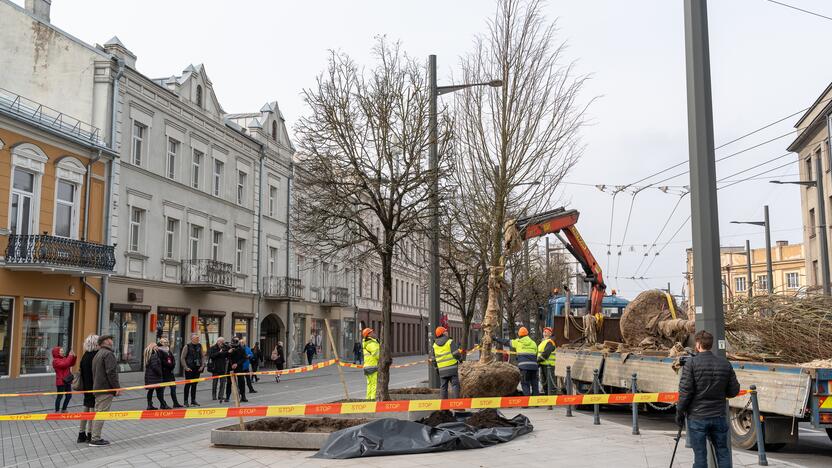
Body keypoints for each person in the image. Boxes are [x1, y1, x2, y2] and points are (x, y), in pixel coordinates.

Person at [677, 330, 741, 468]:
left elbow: (685, 392)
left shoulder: (691, 364)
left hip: (698, 416)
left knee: (700, 456)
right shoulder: (725, 363)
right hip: (718, 415)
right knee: (723, 453)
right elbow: (734, 391)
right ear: (710, 345)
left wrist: (680, 413)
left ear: (698, 344)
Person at [89, 335, 120, 447]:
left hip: (98, 388)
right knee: (101, 413)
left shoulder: (98, 354)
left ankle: (93, 436)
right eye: (110, 339)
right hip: (105, 388)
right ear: (106, 341)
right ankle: (95, 439)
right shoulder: (108, 354)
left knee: (98, 413)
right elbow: (111, 372)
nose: (112, 340)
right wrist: (116, 387)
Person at [494, 327, 539, 396]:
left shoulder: (518, 342)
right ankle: (536, 402)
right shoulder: (533, 343)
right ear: (527, 334)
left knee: (525, 383)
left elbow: (506, 342)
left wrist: (496, 338)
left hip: (524, 367)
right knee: (534, 383)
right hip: (534, 367)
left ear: (519, 335)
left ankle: (527, 402)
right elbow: (536, 354)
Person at [428, 326, 463, 399]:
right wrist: (460, 359)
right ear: (443, 333)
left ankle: (444, 408)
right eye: (445, 331)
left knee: (443, 387)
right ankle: (457, 405)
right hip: (452, 368)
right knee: (455, 385)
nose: (447, 332)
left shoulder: (434, 345)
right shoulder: (450, 341)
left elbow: (433, 360)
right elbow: (456, 353)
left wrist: (437, 369)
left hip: (442, 370)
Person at [77, 334, 98, 443]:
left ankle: (81, 433)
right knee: (92, 410)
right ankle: (90, 434)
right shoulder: (95, 355)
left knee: (86, 408)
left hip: (86, 386)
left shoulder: (85, 356)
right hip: (94, 387)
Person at [157, 337, 183, 408]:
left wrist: (172, 365)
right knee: (162, 389)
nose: (166, 344)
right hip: (164, 373)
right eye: (165, 342)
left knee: (173, 388)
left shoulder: (169, 350)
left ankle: (175, 403)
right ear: (161, 343)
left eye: (167, 342)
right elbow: (161, 361)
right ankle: (162, 404)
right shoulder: (159, 351)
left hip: (170, 373)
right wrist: (169, 365)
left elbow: (173, 359)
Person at [180, 334, 205, 407]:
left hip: (197, 368)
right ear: (192, 339)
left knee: (194, 385)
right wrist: (186, 367)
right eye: (196, 338)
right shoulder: (187, 346)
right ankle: (185, 401)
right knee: (188, 385)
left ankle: (193, 400)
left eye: (198, 338)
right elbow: (182, 357)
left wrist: (202, 365)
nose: (198, 340)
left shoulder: (199, 346)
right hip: (189, 368)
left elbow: (202, 356)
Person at [143, 343, 168, 410]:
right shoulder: (154, 355)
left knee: (151, 391)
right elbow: (155, 366)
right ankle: (163, 404)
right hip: (155, 377)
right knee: (159, 391)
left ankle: (150, 405)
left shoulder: (149, 354)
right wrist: (160, 373)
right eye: (156, 346)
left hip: (150, 377)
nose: (158, 347)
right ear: (153, 347)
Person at [52, 345, 76, 413]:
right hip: (61, 381)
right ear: (57, 353)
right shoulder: (55, 361)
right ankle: (57, 410)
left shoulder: (64, 358)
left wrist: (73, 357)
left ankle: (64, 409)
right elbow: (65, 364)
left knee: (69, 396)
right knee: (60, 397)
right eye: (61, 351)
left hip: (67, 380)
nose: (63, 352)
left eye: (63, 351)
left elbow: (71, 363)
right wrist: (70, 356)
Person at [226, 337, 248, 402]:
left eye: (237, 341)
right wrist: (229, 352)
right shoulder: (229, 348)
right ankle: (227, 396)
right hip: (230, 367)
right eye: (234, 341)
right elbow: (225, 356)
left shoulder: (241, 348)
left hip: (239, 367)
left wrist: (237, 364)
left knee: (241, 381)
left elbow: (244, 358)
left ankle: (243, 396)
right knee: (229, 382)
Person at [208, 337, 229, 402]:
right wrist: (219, 353)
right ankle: (214, 396)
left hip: (222, 368)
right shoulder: (213, 348)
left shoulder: (224, 348)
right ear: (218, 342)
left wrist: (228, 352)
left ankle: (220, 396)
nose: (222, 343)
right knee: (215, 383)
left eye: (223, 342)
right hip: (215, 368)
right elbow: (211, 356)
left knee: (222, 383)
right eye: (221, 342)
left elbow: (226, 355)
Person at [538, 327, 557, 398]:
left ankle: (552, 398)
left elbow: (545, 354)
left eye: (546, 332)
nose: (544, 333)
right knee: (544, 382)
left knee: (550, 383)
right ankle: (547, 397)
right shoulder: (543, 341)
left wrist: (537, 360)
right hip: (543, 364)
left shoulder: (550, 342)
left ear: (550, 333)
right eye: (544, 332)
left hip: (549, 366)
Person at [361, 328, 380, 400]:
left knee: (369, 383)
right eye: (371, 332)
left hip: (367, 366)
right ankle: (373, 399)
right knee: (374, 384)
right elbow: (377, 354)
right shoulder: (371, 343)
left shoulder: (366, 343)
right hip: (373, 366)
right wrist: (382, 360)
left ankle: (368, 398)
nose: (373, 333)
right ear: (368, 335)